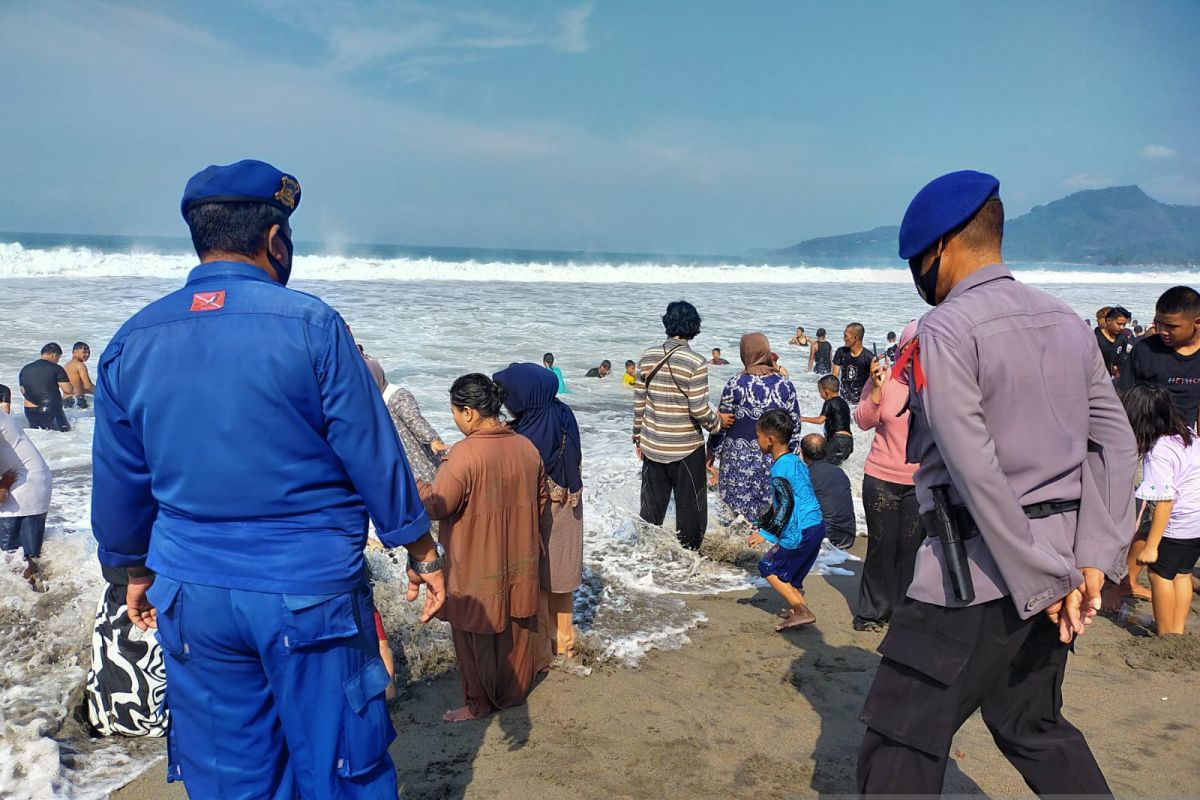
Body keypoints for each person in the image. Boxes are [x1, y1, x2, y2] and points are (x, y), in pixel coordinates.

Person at [90, 160, 443, 798]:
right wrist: (417, 546)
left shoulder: (131, 340)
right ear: (275, 240)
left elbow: (119, 479)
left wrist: (131, 571)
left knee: (230, 774)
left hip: (189, 592)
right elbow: (370, 448)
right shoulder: (313, 326)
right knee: (339, 766)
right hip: (306, 592)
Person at [857, 170, 1136, 796]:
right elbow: (1115, 447)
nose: (917, 274)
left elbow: (973, 468)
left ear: (943, 247)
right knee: (1029, 723)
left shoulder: (947, 329)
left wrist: (1046, 580)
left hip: (974, 573)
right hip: (1062, 562)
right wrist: (1092, 560)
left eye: (915, 260)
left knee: (899, 738)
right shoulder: (1066, 320)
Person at [417, 374, 545, 721]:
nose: (456, 420)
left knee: (474, 634)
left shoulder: (463, 455)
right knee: (516, 628)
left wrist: (417, 486)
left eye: (456, 413)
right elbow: (543, 502)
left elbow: (438, 505)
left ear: (470, 413)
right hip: (521, 556)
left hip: (474, 562)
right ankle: (513, 692)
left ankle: (479, 703)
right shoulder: (526, 447)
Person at [1113, 286, 1200, 604]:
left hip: (1187, 443)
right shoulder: (1145, 350)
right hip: (1146, 443)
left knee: (1185, 513)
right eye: (1158, 323)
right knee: (1147, 515)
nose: (1161, 331)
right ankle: (1127, 580)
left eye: (1171, 326)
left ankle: (1179, 568)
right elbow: (1123, 399)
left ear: (1197, 322)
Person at [494, 362, 584, 666]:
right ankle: (566, 643)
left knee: (541, 581)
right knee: (563, 579)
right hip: (570, 505)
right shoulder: (563, 412)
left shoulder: (522, 432)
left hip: (540, 512)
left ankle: (543, 651)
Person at [633, 300, 726, 550]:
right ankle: (687, 565)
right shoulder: (695, 362)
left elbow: (639, 402)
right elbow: (698, 409)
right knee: (691, 515)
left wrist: (637, 438)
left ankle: (644, 557)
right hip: (686, 447)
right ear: (694, 327)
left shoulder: (647, 356)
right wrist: (718, 424)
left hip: (653, 443)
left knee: (651, 510)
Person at [851, 321, 921, 632]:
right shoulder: (884, 378)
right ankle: (870, 612)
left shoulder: (940, 383)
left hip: (922, 483)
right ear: (903, 347)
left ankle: (901, 612)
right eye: (914, 347)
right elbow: (863, 421)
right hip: (881, 478)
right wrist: (877, 388)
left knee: (911, 549)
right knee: (881, 545)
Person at [1122, 383, 1200, 635]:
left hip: (1180, 523)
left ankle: (1165, 633)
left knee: (1159, 575)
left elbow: (1165, 500)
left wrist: (1152, 546)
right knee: (1182, 574)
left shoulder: (1158, 452)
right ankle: (1176, 630)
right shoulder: (1186, 435)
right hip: (1197, 521)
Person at [707, 333, 803, 521]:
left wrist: (711, 450)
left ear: (745, 353)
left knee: (734, 515)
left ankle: (736, 547)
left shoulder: (735, 384)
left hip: (737, 459)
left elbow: (722, 423)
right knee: (770, 511)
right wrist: (791, 455)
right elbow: (795, 425)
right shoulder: (785, 384)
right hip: (772, 457)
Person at [747, 409, 826, 631]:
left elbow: (786, 505)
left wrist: (765, 534)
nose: (757, 440)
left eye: (758, 436)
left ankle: (803, 612)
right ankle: (796, 608)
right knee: (793, 572)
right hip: (816, 524)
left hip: (801, 530)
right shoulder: (795, 460)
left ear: (770, 440)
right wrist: (764, 524)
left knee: (768, 567)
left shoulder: (778, 470)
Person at [85, 564, 169, 737]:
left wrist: (138, 573)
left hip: (138, 581)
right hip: (204, 578)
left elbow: (121, 539)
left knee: (132, 726)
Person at [0, 410, 52, 587]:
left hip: (22, 489)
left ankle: (34, 603)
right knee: (23, 558)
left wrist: (3, 487)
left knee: (13, 561)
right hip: (30, 484)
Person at [383, 383, 448, 484]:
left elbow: (414, 420)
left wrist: (432, 440)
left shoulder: (397, 396)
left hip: (414, 453)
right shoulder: (375, 398)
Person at [799, 435, 856, 548]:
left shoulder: (805, 475)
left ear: (802, 453)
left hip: (824, 539)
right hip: (848, 536)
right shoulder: (839, 472)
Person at [19, 343, 74, 431]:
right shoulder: (57, 368)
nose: (57, 361)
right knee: (63, 436)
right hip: (50, 408)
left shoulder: (25, 368)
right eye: (58, 358)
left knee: (41, 439)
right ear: (54, 354)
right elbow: (68, 390)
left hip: (29, 410)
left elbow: (23, 390)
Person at [801, 375, 854, 466]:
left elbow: (820, 420)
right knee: (837, 467)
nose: (820, 395)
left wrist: (803, 418)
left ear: (826, 392)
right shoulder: (844, 403)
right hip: (849, 441)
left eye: (820, 392)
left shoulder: (829, 402)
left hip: (837, 440)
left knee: (824, 466)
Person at [832, 323, 875, 404]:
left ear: (855, 338)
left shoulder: (869, 358)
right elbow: (834, 376)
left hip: (861, 401)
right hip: (844, 399)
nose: (844, 338)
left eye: (846, 336)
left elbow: (874, 382)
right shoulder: (841, 352)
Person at [1095, 305, 1134, 378]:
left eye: (1124, 324)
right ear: (1108, 321)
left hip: (1111, 378)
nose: (1122, 327)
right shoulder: (1095, 337)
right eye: (1119, 324)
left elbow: (1122, 357)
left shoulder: (1122, 338)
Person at [64, 342, 95, 409]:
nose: (87, 355)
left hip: (66, 400)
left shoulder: (66, 365)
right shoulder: (80, 365)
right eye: (84, 352)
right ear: (74, 352)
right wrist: (102, 393)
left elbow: (77, 387)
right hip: (78, 401)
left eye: (88, 352)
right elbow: (88, 386)